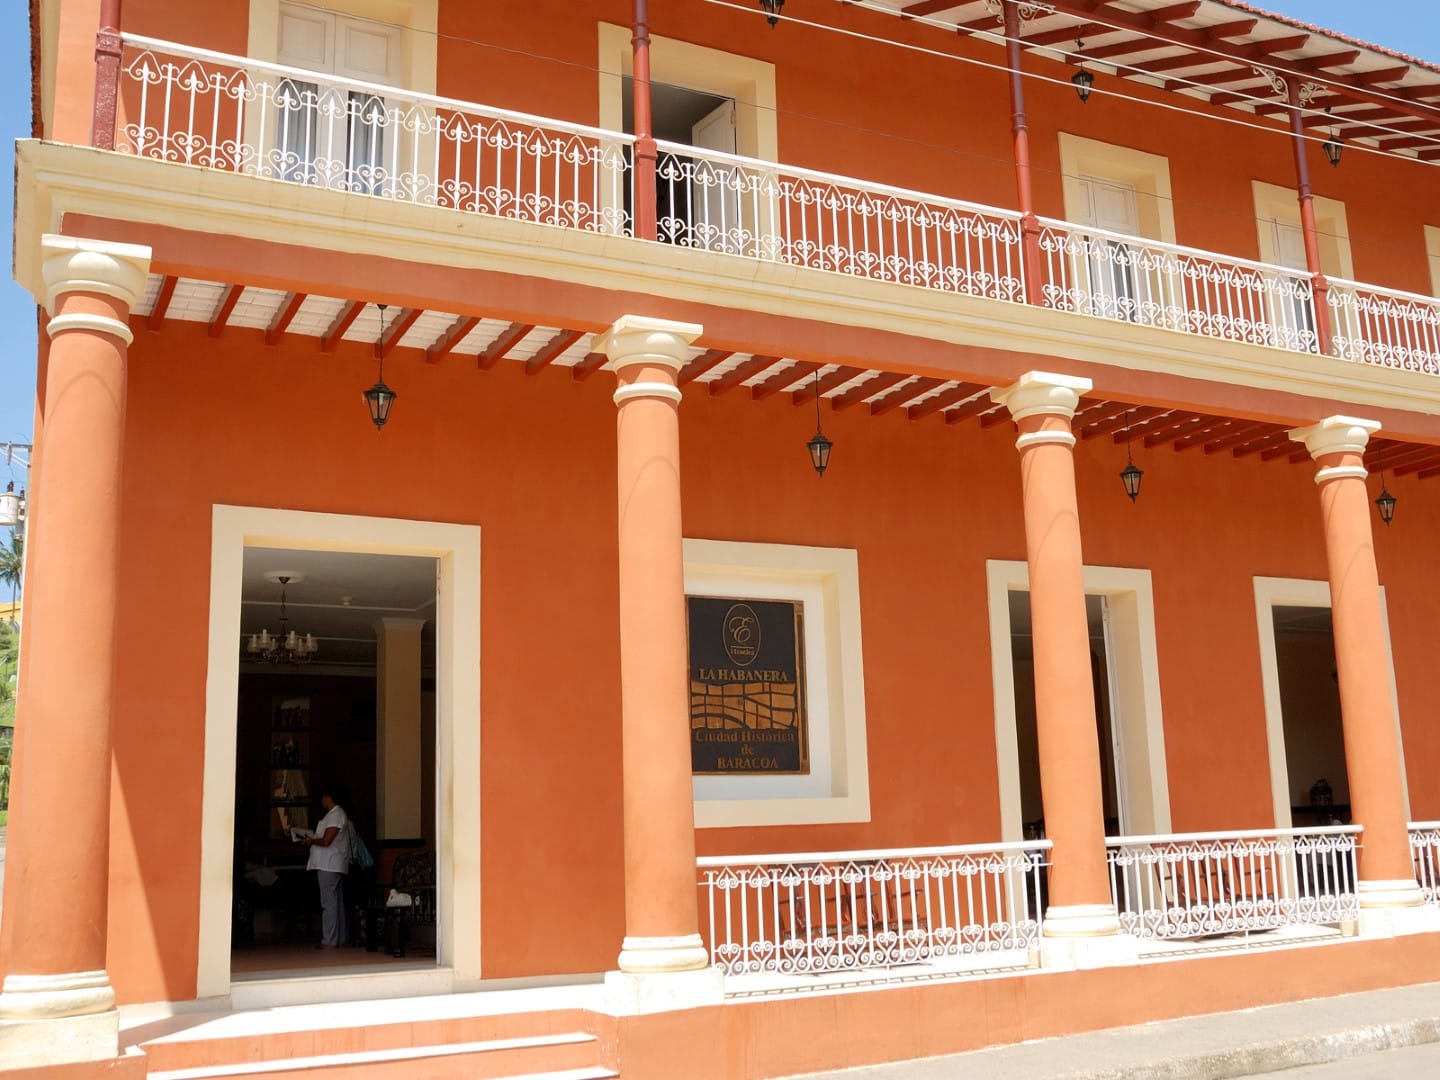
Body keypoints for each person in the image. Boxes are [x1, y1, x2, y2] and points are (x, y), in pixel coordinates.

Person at [304, 788, 350, 949]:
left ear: (328, 797)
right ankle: (339, 938)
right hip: (331, 864)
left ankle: (329, 940)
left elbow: (326, 841)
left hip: (328, 864)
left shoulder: (336, 815)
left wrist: (311, 841)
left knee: (329, 903)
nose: (322, 800)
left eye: (323, 797)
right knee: (335, 902)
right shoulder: (334, 815)